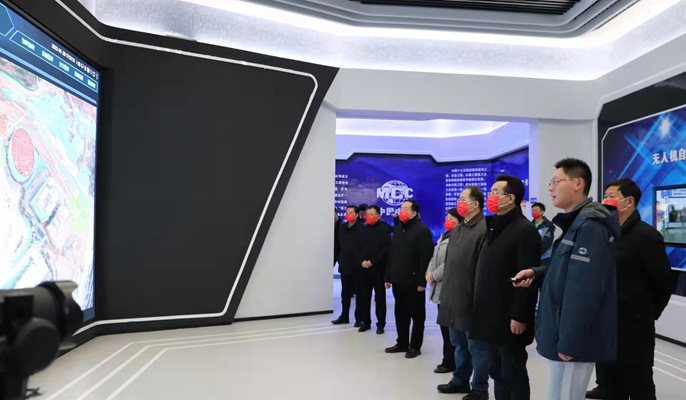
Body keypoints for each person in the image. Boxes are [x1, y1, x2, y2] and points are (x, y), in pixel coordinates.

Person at [513, 158, 620, 400]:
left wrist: (569, 342)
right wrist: (537, 273)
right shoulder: (575, 225)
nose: (550, 188)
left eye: (556, 181)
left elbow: (585, 290)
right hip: (563, 334)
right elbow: (565, 269)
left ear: (578, 183)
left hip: (572, 342)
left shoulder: (590, 227)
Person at [584, 179, 675, 400]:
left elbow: (663, 282)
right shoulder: (605, 232)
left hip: (634, 322)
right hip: (605, 317)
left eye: (611, 196)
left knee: (638, 378)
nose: (606, 200)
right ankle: (606, 388)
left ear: (629, 201)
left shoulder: (646, 236)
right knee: (608, 373)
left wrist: (646, 312)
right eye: (605, 195)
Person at [468, 176, 541, 400]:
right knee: (497, 372)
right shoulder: (495, 227)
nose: (490, 197)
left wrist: (519, 316)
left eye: (495, 192)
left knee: (512, 372)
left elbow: (527, 279)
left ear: (510, 199)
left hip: (509, 318)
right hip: (491, 315)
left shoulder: (524, 230)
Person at [436, 187, 491, 399]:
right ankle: (460, 381)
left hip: (472, 299)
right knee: (459, 344)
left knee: (476, 347)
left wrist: (477, 298)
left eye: (462, 199)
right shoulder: (458, 228)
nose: (459, 202)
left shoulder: (484, 229)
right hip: (453, 296)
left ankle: (480, 387)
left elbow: (483, 269)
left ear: (475, 204)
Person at [384, 200, 434, 359]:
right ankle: (402, 342)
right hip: (398, 279)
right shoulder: (399, 230)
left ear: (414, 213)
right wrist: (388, 276)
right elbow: (392, 255)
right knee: (400, 313)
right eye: (401, 208)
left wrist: (422, 281)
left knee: (417, 315)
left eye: (406, 209)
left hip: (414, 282)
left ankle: (415, 346)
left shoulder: (422, 230)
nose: (402, 211)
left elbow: (425, 258)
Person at [426, 208, 462, 374]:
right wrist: (429, 272)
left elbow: (451, 262)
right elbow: (434, 257)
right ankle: (448, 359)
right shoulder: (444, 235)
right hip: (438, 286)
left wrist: (434, 275)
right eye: (447, 217)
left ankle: (450, 362)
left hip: (449, 287)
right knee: (444, 327)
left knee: (450, 329)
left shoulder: (459, 237)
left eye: (452, 218)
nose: (448, 220)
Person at [358, 205, 392, 334]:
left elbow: (385, 250)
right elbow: (357, 248)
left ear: (378, 216)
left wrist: (372, 262)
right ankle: (366, 322)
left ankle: (380, 324)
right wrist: (362, 261)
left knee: (380, 299)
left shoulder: (384, 230)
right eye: (367, 214)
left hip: (379, 269)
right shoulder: (363, 229)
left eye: (372, 214)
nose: (369, 217)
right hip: (364, 269)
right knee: (364, 297)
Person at [332, 205, 365, 326]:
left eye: (351, 212)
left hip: (358, 266)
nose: (348, 214)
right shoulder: (342, 227)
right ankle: (344, 316)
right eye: (347, 212)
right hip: (345, 265)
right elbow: (338, 245)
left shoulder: (362, 228)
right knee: (345, 293)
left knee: (359, 293)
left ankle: (359, 318)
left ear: (357, 214)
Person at [531, 202, 555, 267]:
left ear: (542, 212)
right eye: (532, 210)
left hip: (544, 258)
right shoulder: (529, 225)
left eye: (536, 210)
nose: (534, 212)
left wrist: (535, 253)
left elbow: (547, 243)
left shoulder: (548, 226)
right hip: (531, 258)